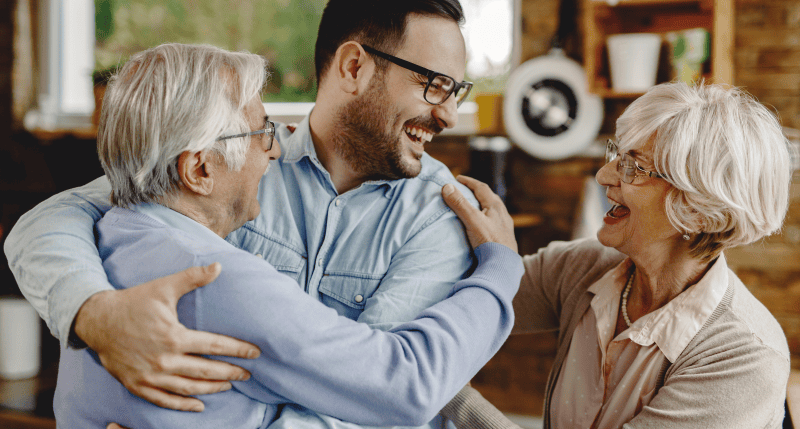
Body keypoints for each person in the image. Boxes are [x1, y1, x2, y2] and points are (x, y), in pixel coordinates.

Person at [5, 0, 476, 428]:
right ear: (354, 67)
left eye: (456, 91)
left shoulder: (441, 213)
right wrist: (96, 314)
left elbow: (382, 392)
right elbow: (55, 218)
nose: (450, 115)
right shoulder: (235, 162)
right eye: (433, 85)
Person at [54, 42, 522, 428]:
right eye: (261, 133)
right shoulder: (214, 278)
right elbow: (406, 385)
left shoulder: (109, 233)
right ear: (198, 169)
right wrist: (501, 268)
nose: (277, 148)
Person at [439, 82, 793, 429]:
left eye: (634, 167)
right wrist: (492, 260)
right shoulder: (583, 267)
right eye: (616, 156)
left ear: (699, 208)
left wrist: (441, 388)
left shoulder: (744, 359)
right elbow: (451, 299)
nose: (603, 175)